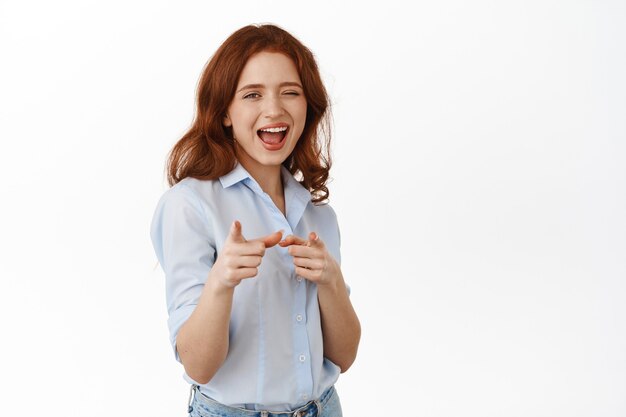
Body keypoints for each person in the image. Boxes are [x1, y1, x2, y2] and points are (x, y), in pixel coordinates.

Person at [150, 24, 360, 417]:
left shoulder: (318, 215)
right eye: (252, 95)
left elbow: (345, 356)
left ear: (307, 107)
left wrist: (330, 280)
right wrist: (221, 283)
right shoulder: (189, 206)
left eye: (290, 92)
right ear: (225, 113)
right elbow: (198, 365)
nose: (274, 109)